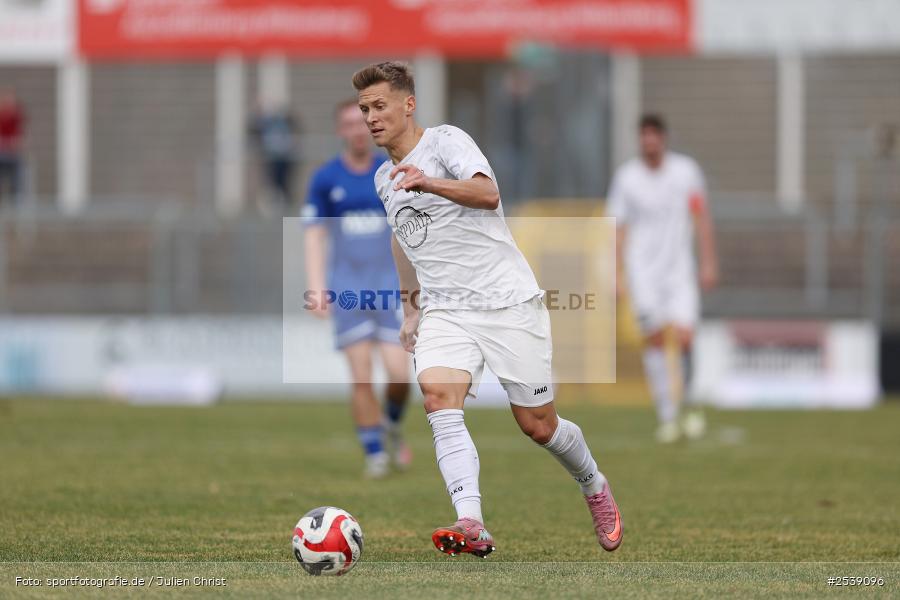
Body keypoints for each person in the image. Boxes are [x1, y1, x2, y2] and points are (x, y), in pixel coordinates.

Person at [352, 61, 622, 558]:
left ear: (408, 105)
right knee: (437, 396)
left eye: (380, 106)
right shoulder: (383, 178)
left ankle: (593, 482)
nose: (370, 117)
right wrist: (411, 311)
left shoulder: (447, 142)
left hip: (506, 301)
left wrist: (429, 182)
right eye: (365, 108)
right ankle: (470, 520)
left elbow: (488, 192)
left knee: (538, 425)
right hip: (446, 311)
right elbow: (403, 240)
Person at [302, 98, 412, 479]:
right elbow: (314, 236)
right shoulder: (326, 179)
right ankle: (375, 454)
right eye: (348, 123)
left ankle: (392, 425)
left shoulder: (391, 171)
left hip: (390, 289)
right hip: (347, 289)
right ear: (340, 131)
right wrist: (316, 286)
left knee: (400, 374)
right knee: (361, 375)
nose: (356, 129)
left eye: (361, 122)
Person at [607, 114, 719, 444]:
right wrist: (617, 275)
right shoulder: (627, 177)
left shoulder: (686, 172)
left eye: (654, 135)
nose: (649, 141)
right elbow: (618, 228)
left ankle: (691, 404)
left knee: (685, 337)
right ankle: (667, 416)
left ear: (664, 138)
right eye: (644, 135)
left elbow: (701, 217)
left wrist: (709, 262)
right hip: (643, 272)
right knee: (655, 339)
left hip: (679, 269)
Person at [251, 102, 299, 213]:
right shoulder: (266, 124)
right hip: (272, 158)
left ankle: (285, 204)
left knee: (283, 182)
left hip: (284, 158)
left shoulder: (284, 122)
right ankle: (274, 204)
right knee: (272, 182)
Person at [0, 91, 25, 207]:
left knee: (18, 171)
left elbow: (20, 138)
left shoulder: (16, 117)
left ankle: (17, 198)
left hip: (12, 155)